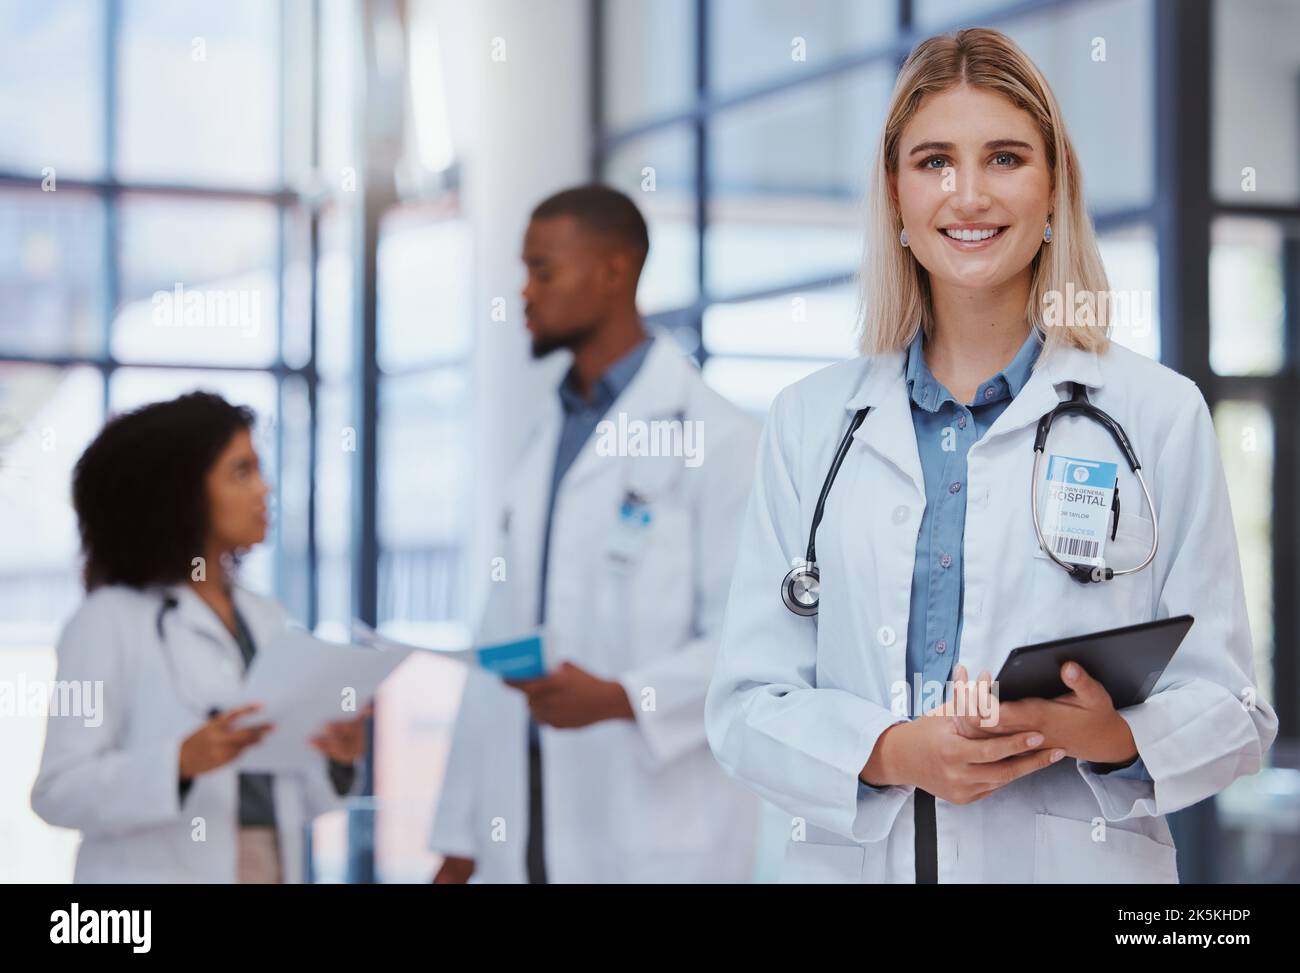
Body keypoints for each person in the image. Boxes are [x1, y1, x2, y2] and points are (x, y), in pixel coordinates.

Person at [704, 28, 1277, 884]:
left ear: (1054, 190)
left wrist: (1108, 734)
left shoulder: (1157, 414)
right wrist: (895, 751)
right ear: (895, 197)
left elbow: (1234, 711)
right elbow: (746, 707)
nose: (966, 195)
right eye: (934, 161)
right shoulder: (810, 423)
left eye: (1004, 158)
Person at [429, 185, 760, 883]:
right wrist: (459, 842)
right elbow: (500, 644)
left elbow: (750, 645)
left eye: (542, 269)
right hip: (526, 829)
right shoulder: (545, 435)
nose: (524, 292)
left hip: (655, 833)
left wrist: (619, 696)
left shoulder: (723, 438)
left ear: (614, 272)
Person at [31, 392, 367, 883]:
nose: (264, 490)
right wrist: (178, 763)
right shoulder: (106, 622)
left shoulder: (264, 618)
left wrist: (336, 758)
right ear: (181, 493)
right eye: (241, 472)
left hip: (267, 867)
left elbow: (282, 796)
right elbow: (58, 791)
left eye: (259, 469)